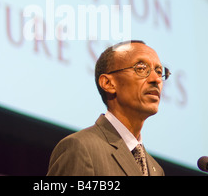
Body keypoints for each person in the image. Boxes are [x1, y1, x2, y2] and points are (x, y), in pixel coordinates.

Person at [47, 40, 169, 176]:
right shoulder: (81, 148)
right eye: (141, 68)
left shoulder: (156, 170)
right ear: (108, 83)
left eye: (159, 71)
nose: (156, 79)